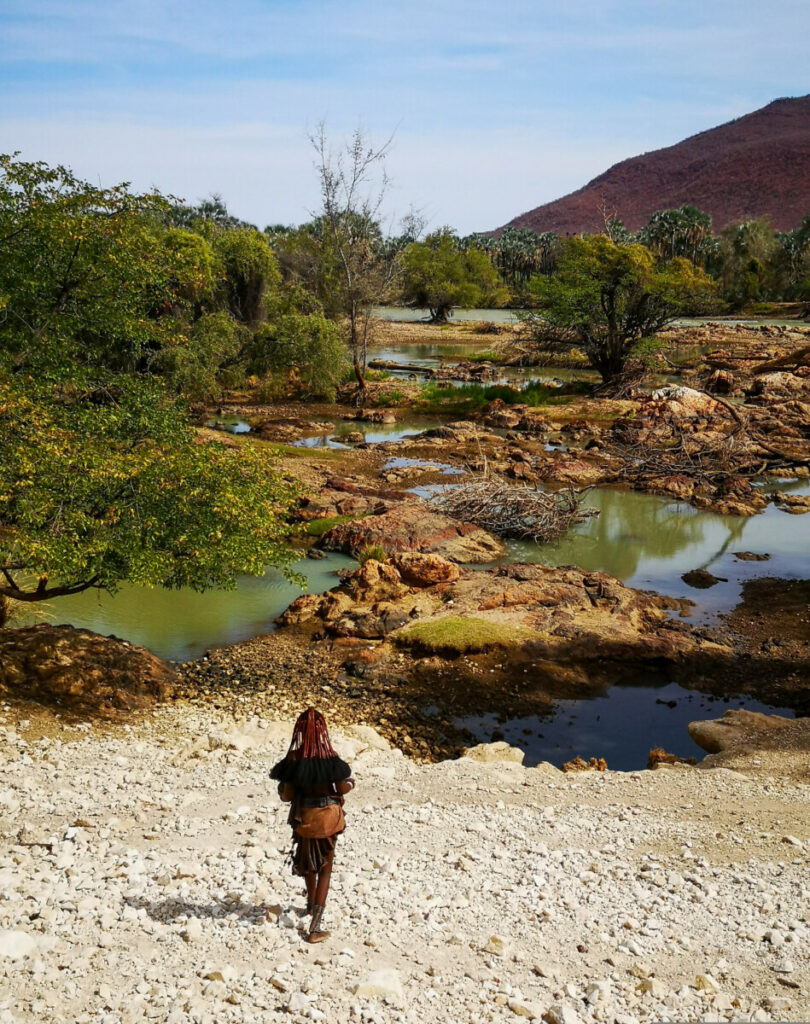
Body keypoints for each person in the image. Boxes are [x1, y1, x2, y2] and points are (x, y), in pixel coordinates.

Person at [270, 708, 355, 943]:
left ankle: (309, 905)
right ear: (322, 730)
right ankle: (315, 927)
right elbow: (341, 788)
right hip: (328, 818)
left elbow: (286, 796)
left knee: (308, 863)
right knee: (325, 867)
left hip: (303, 819)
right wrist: (351, 784)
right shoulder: (331, 760)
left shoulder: (294, 760)